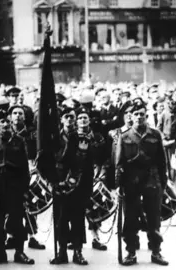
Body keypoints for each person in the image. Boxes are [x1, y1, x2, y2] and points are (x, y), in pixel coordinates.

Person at [115, 103, 169, 266]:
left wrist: (163, 184)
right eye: (136, 114)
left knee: (154, 218)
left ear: (146, 116)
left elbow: (162, 161)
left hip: (152, 181)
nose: (139, 117)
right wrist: (118, 184)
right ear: (131, 116)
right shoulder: (124, 136)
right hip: (131, 182)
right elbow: (119, 163)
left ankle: (156, 251)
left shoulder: (155, 134)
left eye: (142, 114)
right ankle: (130, 252)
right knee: (130, 218)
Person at [50, 107, 105, 265]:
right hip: (60, 184)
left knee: (78, 219)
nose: (70, 120)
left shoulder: (83, 138)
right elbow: (53, 159)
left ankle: (78, 252)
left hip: (80, 185)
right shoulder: (59, 137)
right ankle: (61, 252)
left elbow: (89, 164)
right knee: (61, 219)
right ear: (62, 119)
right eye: (67, 117)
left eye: (73, 117)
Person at [0, 111, 35, 265]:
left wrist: (25, 189)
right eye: (1, 122)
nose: (5, 125)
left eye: (7, 122)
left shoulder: (19, 141)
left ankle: (19, 252)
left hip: (15, 185)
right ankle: (1, 253)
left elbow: (25, 168)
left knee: (17, 219)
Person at [4, 105, 45, 250]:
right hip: (11, 174)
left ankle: (32, 236)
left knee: (30, 204)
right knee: (10, 206)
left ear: (25, 116)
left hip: (29, 172)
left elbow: (38, 153)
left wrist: (35, 167)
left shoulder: (32, 134)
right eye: (14, 113)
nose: (17, 116)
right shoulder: (5, 133)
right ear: (10, 116)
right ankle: (11, 236)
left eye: (20, 113)